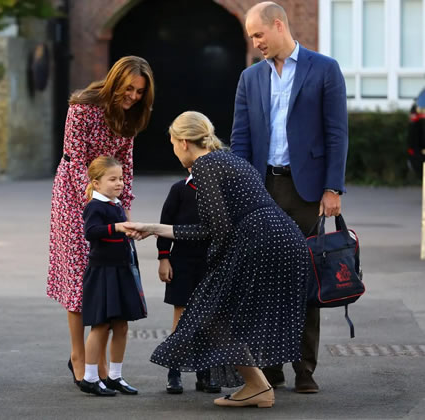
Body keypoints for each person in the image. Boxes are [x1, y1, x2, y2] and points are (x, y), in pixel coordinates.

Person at [125, 111, 309, 408]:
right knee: (227, 316)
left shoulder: (204, 166)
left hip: (257, 243)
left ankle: (257, 386)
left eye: (172, 143)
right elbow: (217, 225)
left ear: (184, 142)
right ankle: (258, 386)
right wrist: (154, 229)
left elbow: (215, 230)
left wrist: (212, 269)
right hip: (284, 238)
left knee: (211, 315)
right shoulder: (230, 159)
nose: (173, 151)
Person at [230, 1, 348, 393]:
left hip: (306, 192)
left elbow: (336, 133)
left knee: (303, 277)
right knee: (263, 280)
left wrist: (332, 188)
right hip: (263, 188)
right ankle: (270, 368)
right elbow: (241, 138)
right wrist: (240, 191)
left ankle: (305, 371)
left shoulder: (324, 68)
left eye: (258, 34)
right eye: (252, 37)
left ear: (278, 25)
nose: (255, 43)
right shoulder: (249, 78)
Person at [47, 56, 154, 386]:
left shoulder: (131, 115)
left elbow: (127, 166)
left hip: (110, 198)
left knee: (108, 278)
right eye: (130, 88)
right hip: (74, 195)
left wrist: (124, 208)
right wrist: (98, 203)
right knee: (82, 278)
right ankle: (78, 357)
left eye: (140, 92)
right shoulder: (82, 106)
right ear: (115, 81)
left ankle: (101, 364)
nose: (134, 96)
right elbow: (77, 161)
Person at [79, 156, 146, 396]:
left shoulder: (115, 204)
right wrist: (117, 228)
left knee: (122, 325)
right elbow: (91, 232)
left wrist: (131, 233)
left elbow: (119, 235)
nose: (120, 183)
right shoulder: (94, 206)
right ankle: (89, 377)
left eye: (121, 178)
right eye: (113, 179)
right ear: (96, 183)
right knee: (101, 325)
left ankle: (115, 376)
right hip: (103, 272)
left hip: (122, 270)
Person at [157, 168, 220, 395]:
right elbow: (165, 224)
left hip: (211, 261)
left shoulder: (220, 191)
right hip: (182, 261)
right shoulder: (180, 190)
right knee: (181, 316)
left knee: (208, 318)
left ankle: (205, 372)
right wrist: (164, 257)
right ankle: (174, 371)